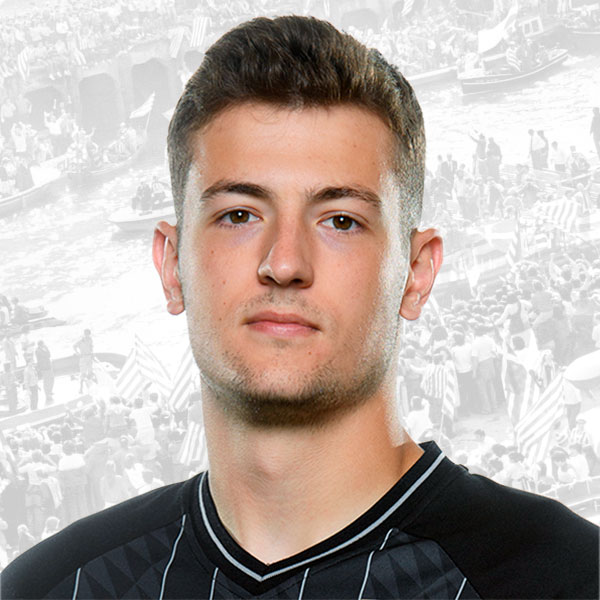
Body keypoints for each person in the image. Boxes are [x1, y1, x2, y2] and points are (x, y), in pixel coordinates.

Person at [2, 15, 598, 600]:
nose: (284, 262)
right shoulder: (50, 589)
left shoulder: (566, 580)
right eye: (239, 215)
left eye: (340, 221)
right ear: (171, 265)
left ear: (416, 274)